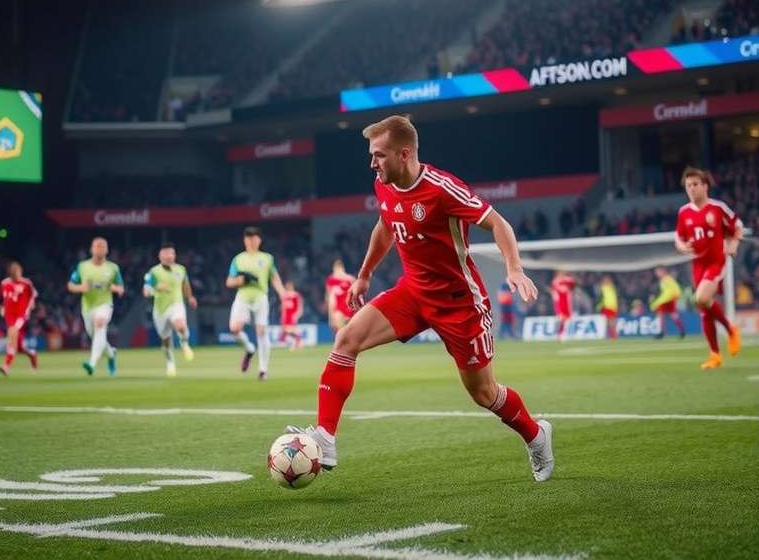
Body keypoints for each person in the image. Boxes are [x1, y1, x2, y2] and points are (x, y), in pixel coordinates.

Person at [287, 115, 553, 482]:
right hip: (413, 292)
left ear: (405, 154)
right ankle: (326, 437)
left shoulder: (443, 188)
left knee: (483, 392)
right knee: (346, 340)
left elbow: (498, 223)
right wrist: (364, 275)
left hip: (460, 302)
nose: (372, 163)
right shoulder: (383, 184)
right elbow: (385, 226)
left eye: (379, 155)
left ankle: (536, 435)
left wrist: (515, 269)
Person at [674, 167, 743, 370]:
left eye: (695, 185)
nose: (692, 189)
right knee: (705, 310)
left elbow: (737, 225)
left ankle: (730, 329)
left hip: (716, 261)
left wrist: (733, 244)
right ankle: (715, 355)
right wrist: (682, 246)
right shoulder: (684, 212)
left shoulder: (717, 208)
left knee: (701, 299)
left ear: (705, 186)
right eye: (688, 186)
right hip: (698, 265)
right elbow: (679, 236)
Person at [226, 226, 287, 381]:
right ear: (244, 240)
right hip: (243, 296)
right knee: (234, 329)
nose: (251, 241)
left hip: (260, 297)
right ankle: (249, 349)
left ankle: (263, 370)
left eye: (254, 238)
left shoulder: (267, 258)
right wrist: (240, 280)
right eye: (248, 238)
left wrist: (282, 293)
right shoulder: (238, 259)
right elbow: (229, 281)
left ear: (259, 240)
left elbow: (274, 277)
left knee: (261, 331)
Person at [67, 237, 124, 376]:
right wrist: (81, 288)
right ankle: (110, 354)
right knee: (97, 336)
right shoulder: (82, 266)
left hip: (105, 305)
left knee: (100, 325)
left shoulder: (113, 268)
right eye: (97, 246)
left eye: (102, 246)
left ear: (107, 250)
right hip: (87, 307)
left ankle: (92, 364)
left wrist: (115, 288)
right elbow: (70, 285)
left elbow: (121, 288)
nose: (99, 249)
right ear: (91, 249)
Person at [143, 242, 198, 377]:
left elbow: (185, 285)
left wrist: (190, 297)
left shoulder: (181, 270)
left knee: (180, 325)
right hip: (160, 310)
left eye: (171, 253)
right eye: (165, 253)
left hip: (176, 304)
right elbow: (145, 291)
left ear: (174, 255)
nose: (169, 256)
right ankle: (170, 362)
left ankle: (184, 344)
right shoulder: (153, 272)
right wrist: (157, 288)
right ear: (160, 256)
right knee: (165, 339)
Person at [0, 262, 38, 375]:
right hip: (9, 316)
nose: (16, 273)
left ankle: (6, 366)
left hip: (21, 315)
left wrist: (31, 305)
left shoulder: (26, 283)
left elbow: (33, 295)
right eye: (13, 271)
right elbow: (1, 300)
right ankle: (32, 354)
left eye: (17, 270)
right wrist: (1, 309)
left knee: (12, 333)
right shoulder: (4, 283)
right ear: (10, 272)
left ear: (21, 271)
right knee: (18, 347)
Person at [649, 267, 685, 339]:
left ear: (664, 271)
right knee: (672, 315)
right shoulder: (666, 279)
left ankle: (662, 333)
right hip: (669, 299)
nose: (657, 274)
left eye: (658, 271)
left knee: (661, 314)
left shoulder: (666, 279)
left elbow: (673, 290)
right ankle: (682, 331)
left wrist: (658, 302)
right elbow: (675, 289)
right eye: (656, 272)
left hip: (667, 300)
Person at [325, 259, 355, 332]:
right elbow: (328, 295)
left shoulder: (350, 279)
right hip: (337, 306)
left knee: (350, 327)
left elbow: (355, 293)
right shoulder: (331, 279)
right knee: (337, 327)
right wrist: (330, 312)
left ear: (342, 269)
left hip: (348, 305)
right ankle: (341, 339)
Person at [550, 271, 576, 340]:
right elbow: (554, 292)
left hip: (567, 303)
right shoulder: (556, 282)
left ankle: (563, 334)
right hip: (559, 303)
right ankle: (558, 333)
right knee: (561, 318)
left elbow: (573, 284)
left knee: (566, 319)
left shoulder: (567, 280)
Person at [279, 280, 303, 351]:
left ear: (292, 286)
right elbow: (283, 307)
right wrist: (282, 315)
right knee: (284, 332)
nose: (288, 287)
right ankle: (296, 342)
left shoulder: (295, 295)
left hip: (292, 315)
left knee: (289, 330)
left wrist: (297, 315)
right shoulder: (285, 295)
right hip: (285, 316)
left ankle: (297, 341)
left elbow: (299, 306)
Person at [597, 275, 618, 340]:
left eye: (608, 279)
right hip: (607, 307)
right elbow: (600, 298)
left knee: (613, 322)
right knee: (609, 322)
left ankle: (613, 335)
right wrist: (600, 306)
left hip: (613, 307)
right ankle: (611, 336)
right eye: (606, 279)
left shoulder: (612, 288)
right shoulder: (603, 288)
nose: (607, 281)